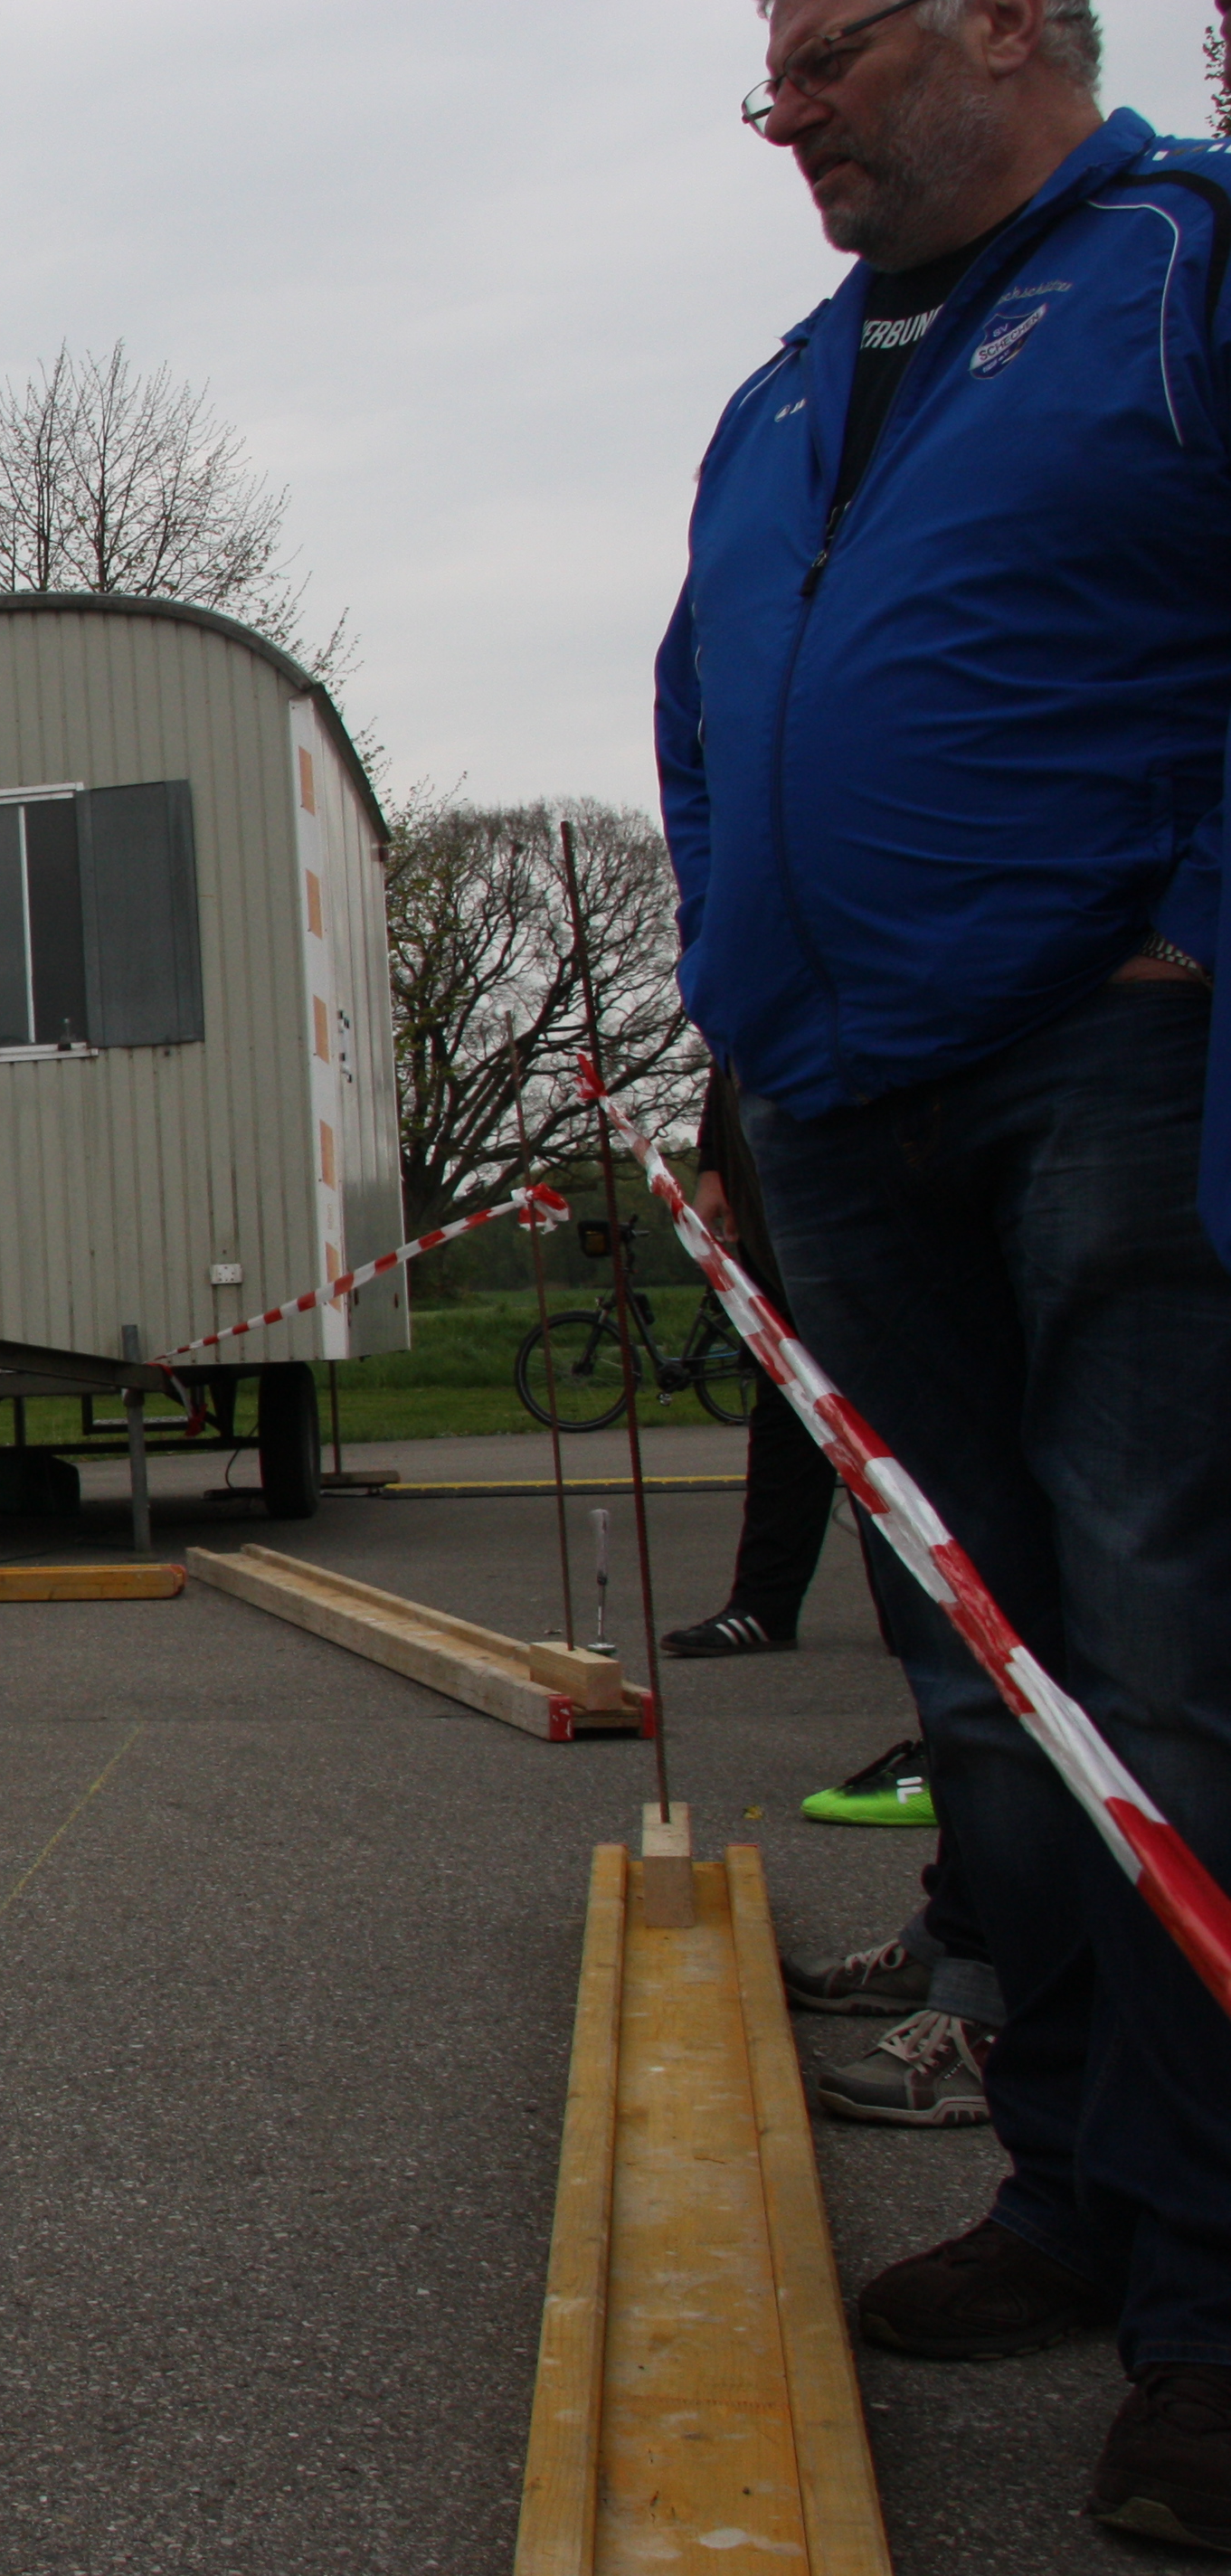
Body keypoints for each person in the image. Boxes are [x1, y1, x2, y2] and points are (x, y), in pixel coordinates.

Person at [658, 1, 1231, 2544]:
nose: (783, 111)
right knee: (978, 1681)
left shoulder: (1180, 268)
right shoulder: (785, 389)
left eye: (829, 52)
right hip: (838, 1101)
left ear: (1008, 23)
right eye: (766, 73)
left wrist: (1194, 920)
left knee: (1162, 1661)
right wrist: (736, 983)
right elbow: (702, 707)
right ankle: (1074, 2181)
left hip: (1105, 1064)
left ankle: (1216, 2301)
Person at [659, 1061, 843, 1664]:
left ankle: (925, 1613)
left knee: (892, 1404)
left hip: (853, 1157)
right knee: (786, 1406)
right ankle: (764, 1604)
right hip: (771, 1190)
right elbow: (728, 1049)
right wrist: (716, 1166)